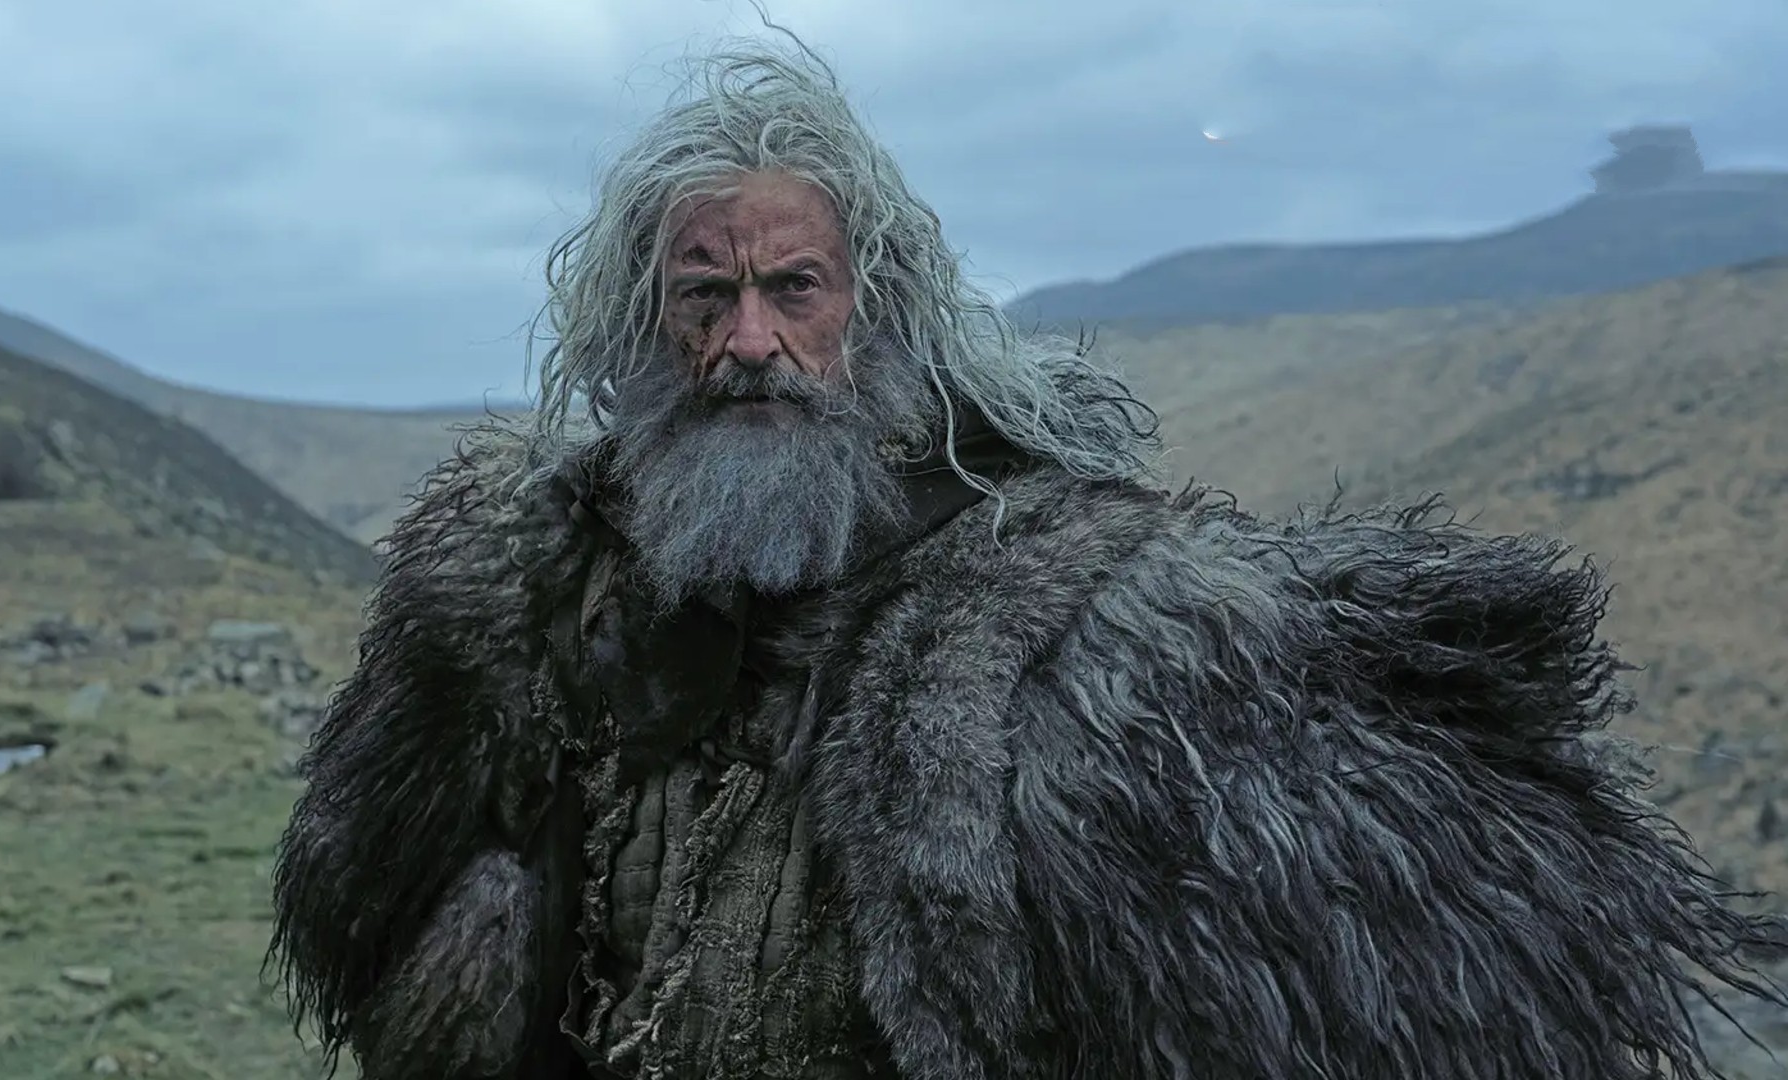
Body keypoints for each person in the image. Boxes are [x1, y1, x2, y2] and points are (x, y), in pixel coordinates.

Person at [266, 34, 1784, 1080]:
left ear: (878, 310)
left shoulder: (1065, 610)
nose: (750, 342)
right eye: (704, 295)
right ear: (642, 322)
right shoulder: (531, 593)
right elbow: (376, 910)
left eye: (796, 289)